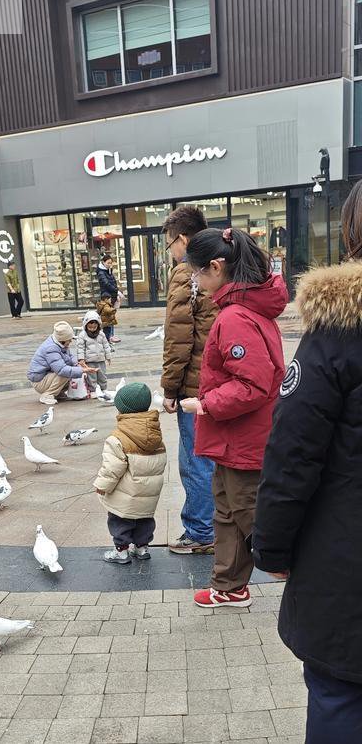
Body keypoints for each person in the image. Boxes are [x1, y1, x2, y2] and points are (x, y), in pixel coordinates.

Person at [252, 181, 362, 742]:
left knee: (341, 696)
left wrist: (272, 548)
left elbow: (293, 453)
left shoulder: (338, 332)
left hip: (347, 564)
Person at [180, 227, 287, 608]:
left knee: (249, 514)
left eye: (196, 272)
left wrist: (206, 404)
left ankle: (299, 572)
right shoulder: (242, 309)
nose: (194, 281)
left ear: (216, 267)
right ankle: (229, 586)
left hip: (243, 438)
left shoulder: (235, 317)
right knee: (227, 512)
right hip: (234, 438)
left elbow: (253, 384)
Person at [160, 206, 218, 555]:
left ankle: (201, 531)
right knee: (212, 458)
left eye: (170, 245)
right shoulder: (220, 266)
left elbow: (178, 337)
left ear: (182, 238)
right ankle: (219, 524)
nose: (171, 253)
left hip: (195, 386)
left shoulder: (187, 272)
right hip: (220, 382)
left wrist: (170, 388)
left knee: (196, 460)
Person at [93, 383, 166, 565]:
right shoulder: (155, 434)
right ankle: (142, 548)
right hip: (148, 491)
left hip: (125, 493)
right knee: (144, 519)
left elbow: (112, 468)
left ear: (122, 409)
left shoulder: (118, 437)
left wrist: (102, 486)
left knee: (120, 520)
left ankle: (121, 552)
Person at [27, 320, 97, 405]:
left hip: (47, 376)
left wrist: (78, 364)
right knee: (66, 373)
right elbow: (61, 370)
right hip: (39, 382)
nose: (71, 341)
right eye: (69, 340)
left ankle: (58, 393)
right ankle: (47, 395)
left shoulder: (60, 343)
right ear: (63, 340)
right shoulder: (51, 348)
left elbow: (69, 357)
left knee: (72, 371)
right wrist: (82, 370)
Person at [76, 309, 111, 393]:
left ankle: (103, 389)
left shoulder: (101, 334)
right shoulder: (82, 335)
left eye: (94, 327)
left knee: (102, 375)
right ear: (86, 325)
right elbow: (80, 348)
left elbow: (106, 346)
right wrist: (81, 359)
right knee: (91, 377)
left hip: (101, 360)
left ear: (98, 325)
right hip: (89, 361)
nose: (92, 329)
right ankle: (93, 390)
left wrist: (108, 357)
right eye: (90, 327)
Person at [96, 254, 123, 343]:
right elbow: (106, 284)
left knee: (111, 316)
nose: (109, 265)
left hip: (111, 295)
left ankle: (111, 335)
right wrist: (116, 291)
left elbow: (112, 282)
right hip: (106, 296)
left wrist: (116, 293)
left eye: (111, 263)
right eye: (108, 263)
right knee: (107, 317)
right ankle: (108, 337)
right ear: (103, 262)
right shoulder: (101, 272)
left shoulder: (108, 271)